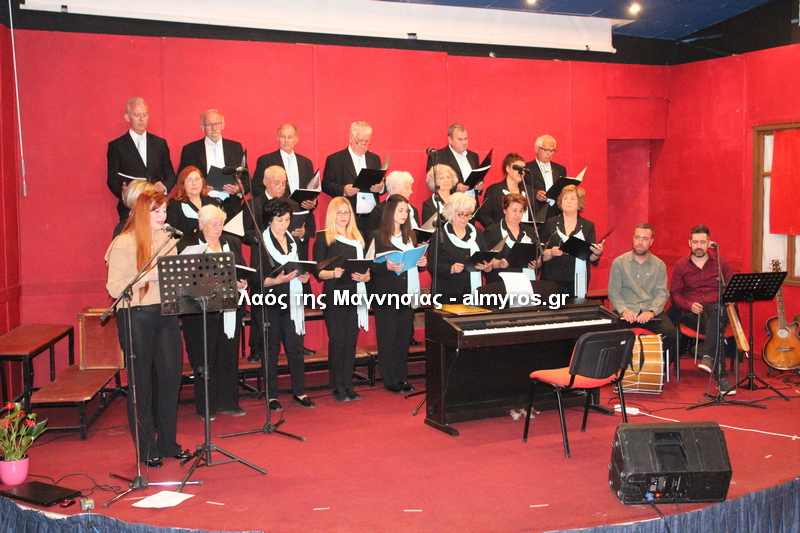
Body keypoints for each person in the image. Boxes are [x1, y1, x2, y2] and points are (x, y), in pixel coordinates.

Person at [105, 189, 188, 468]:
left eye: (164, 211)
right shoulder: (123, 242)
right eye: (157, 211)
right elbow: (114, 287)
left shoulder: (168, 240)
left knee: (171, 378)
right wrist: (147, 277)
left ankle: (168, 443)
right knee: (141, 383)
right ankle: (146, 448)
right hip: (136, 314)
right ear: (142, 213)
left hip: (165, 314)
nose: (163, 216)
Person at [179, 205, 248, 419]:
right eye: (213, 224)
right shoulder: (189, 244)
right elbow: (183, 281)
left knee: (228, 355)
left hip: (228, 308)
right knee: (204, 358)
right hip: (200, 312)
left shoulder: (231, 242)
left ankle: (228, 401)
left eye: (220, 223)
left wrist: (243, 284)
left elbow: (243, 269)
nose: (218, 228)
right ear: (201, 225)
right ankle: (206, 406)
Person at [243, 165, 316, 360]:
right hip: (266, 259)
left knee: (292, 314)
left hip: (290, 257)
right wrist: (265, 235)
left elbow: (307, 230)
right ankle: (258, 347)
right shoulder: (253, 205)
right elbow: (244, 234)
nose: (281, 187)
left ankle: (297, 343)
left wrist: (302, 233)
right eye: (277, 183)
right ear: (265, 182)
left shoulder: (293, 204)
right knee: (263, 311)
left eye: (284, 183)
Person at [253, 198, 314, 410]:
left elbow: (300, 266)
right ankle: (271, 395)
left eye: (287, 219)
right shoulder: (261, 242)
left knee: (295, 347)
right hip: (270, 301)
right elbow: (256, 278)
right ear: (270, 220)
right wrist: (277, 280)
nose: (284, 224)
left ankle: (300, 391)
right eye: (280, 220)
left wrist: (304, 277)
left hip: (292, 300)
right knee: (271, 349)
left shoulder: (293, 240)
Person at [367, 194, 427, 393]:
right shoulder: (377, 236)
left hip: (408, 292)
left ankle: (401, 376)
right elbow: (369, 265)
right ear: (390, 212)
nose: (404, 214)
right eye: (401, 210)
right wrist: (387, 266)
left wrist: (421, 263)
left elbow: (413, 263)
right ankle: (390, 378)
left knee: (402, 338)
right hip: (386, 294)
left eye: (407, 211)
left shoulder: (411, 236)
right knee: (388, 338)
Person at [313, 197, 371, 402]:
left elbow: (365, 269)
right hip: (334, 294)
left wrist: (366, 277)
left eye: (347, 212)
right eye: (339, 212)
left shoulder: (358, 238)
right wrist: (332, 273)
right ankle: (337, 385)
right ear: (332, 214)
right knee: (338, 340)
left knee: (350, 341)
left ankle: (348, 383)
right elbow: (317, 272)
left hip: (355, 293)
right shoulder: (324, 237)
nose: (343, 216)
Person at [670, 225, 735, 394]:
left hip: (717, 309)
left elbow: (731, 288)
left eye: (702, 242)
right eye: (695, 242)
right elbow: (675, 293)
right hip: (693, 313)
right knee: (716, 326)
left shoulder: (721, 263)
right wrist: (688, 305)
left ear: (709, 243)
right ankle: (722, 377)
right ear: (689, 243)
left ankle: (707, 357)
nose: (699, 246)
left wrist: (727, 300)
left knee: (716, 312)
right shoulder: (681, 265)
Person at [107, 97, 177, 223]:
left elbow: (170, 175)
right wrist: (125, 195)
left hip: (156, 207)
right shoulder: (117, 146)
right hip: (130, 208)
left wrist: (164, 186)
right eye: (137, 115)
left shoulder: (159, 144)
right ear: (127, 117)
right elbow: (112, 179)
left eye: (145, 115)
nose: (141, 119)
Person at [608, 223, 676, 350]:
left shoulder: (659, 265)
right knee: (610, 334)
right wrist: (624, 310)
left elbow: (662, 293)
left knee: (670, 332)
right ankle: (624, 362)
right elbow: (614, 293)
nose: (640, 242)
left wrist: (651, 312)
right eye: (637, 237)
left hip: (650, 312)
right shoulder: (619, 263)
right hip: (626, 312)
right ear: (633, 238)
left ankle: (656, 362)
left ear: (651, 242)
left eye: (645, 239)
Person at [539, 185, 603, 298]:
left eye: (573, 199)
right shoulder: (550, 223)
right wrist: (551, 252)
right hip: (552, 278)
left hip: (577, 280)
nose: (568, 201)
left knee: (577, 308)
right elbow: (540, 252)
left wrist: (597, 253)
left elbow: (590, 257)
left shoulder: (588, 226)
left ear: (579, 204)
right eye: (565, 198)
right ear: (560, 202)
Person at [322, 121, 385, 235]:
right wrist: (343, 190)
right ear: (351, 138)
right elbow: (326, 185)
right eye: (359, 141)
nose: (363, 145)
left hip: (372, 217)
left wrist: (381, 188)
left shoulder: (374, 158)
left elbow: (381, 181)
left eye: (367, 142)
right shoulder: (335, 159)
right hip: (348, 218)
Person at [427, 192, 491, 305]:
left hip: (472, 291)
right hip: (447, 293)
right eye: (461, 214)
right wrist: (451, 269)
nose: (465, 218)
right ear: (451, 213)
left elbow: (485, 260)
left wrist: (487, 267)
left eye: (468, 214)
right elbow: (432, 266)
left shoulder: (477, 233)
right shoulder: (440, 235)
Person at [177, 109, 248, 199]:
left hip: (231, 203)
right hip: (202, 201)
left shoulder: (235, 147)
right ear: (202, 127)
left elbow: (246, 177)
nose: (214, 128)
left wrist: (239, 189)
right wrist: (199, 189)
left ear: (223, 125)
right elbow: (181, 178)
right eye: (209, 124)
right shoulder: (190, 150)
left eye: (217, 123)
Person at [166, 166, 240, 245]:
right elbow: (171, 234)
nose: (194, 183)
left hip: (212, 246)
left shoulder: (211, 202)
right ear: (182, 184)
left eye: (197, 179)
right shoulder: (174, 205)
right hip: (187, 247)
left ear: (202, 182)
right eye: (189, 180)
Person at [252, 124, 317, 206]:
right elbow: (256, 188)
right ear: (278, 139)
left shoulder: (306, 163)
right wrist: (272, 204)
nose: (286, 140)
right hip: (276, 210)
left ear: (296, 140)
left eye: (290, 137)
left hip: (302, 210)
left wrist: (312, 202)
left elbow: (311, 190)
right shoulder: (265, 161)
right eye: (283, 137)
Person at [484, 193, 540, 284]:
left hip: (526, 282)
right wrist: (499, 263)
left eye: (521, 211)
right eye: (514, 210)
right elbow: (485, 261)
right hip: (500, 282)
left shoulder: (530, 231)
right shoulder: (492, 231)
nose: (517, 215)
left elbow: (538, 256)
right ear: (504, 210)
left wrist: (537, 264)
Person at [426, 123, 485, 198]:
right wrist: (455, 188)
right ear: (450, 140)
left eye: (466, 139)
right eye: (460, 139)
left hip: (472, 202)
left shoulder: (473, 156)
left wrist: (480, 185)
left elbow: (478, 177)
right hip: (450, 202)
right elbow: (433, 182)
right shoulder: (438, 156)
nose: (464, 142)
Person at [475, 152, 532, 229]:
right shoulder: (494, 190)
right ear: (508, 168)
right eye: (517, 168)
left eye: (523, 169)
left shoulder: (528, 191)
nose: (521, 172)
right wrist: (497, 230)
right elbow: (484, 216)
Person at [524, 134, 567, 221]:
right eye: (546, 150)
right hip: (536, 210)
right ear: (536, 149)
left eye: (552, 150)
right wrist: (535, 193)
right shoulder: (527, 168)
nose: (549, 153)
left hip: (556, 211)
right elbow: (522, 187)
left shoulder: (560, 169)